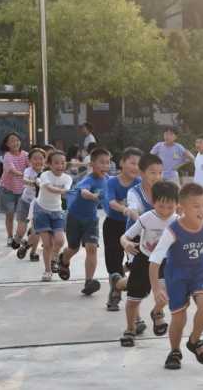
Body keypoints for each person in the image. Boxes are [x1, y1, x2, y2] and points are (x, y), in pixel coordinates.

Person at [149, 183, 203, 370]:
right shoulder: (173, 230)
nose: (202, 210)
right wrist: (156, 289)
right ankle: (174, 351)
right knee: (179, 318)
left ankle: (194, 341)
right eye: (196, 206)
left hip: (199, 271)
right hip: (177, 275)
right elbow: (155, 260)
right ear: (182, 208)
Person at [118, 181, 179, 347]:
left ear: (177, 204)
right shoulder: (146, 218)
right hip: (143, 261)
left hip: (166, 263)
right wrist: (126, 244)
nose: (165, 211)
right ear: (153, 202)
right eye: (161, 206)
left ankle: (157, 312)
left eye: (170, 206)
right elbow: (124, 237)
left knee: (164, 295)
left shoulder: (179, 221)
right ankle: (130, 329)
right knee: (133, 300)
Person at [57, 148, 111, 294]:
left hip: (91, 219)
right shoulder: (88, 179)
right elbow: (84, 192)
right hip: (74, 218)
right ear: (92, 164)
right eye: (102, 162)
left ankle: (89, 282)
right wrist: (93, 196)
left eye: (108, 163)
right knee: (73, 248)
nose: (105, 166)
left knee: (91, 248)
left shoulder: (108, 180)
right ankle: (64, 259)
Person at [103, 147, 142, 311]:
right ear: (122, 163)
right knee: (114, 262)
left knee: (139, 261)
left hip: (134, 227)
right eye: (132, 163)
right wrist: (125, 210)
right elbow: (111, 202)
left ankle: (124, 288)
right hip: (113, 224)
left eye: (139, 164)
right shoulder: (111, 181)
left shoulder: (139, 183)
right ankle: (115, 293)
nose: (135, 167)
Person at [33, 150, 72, 281]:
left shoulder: (67, 178)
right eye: (56, 163)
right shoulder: (45, 175)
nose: (60, 166)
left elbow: (67, 190)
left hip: (57, 212)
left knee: (60, 240)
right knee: (47, 244)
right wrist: (63, 191)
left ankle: (54, 257)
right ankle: (47, 270)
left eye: (62, 163)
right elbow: (50, 188)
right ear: (49, 164)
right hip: (41, 211)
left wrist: (64, 191)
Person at [13, 148, 45, 261]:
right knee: (21, 230)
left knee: (36, 230)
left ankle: (33, 252)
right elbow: (25, 180)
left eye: (41, 158)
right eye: (35, 158)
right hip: (25, 202)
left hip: (39, 205)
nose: (38, 161)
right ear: (30, 161)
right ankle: (17, 239)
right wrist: (34, 183)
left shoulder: (47, 173)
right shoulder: (28, 171)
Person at [0, 133, 29, 247]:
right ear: (7, 144)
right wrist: (25, 175)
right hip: (8, 190)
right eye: (12, 141)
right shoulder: (7, 156)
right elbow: (10, 169)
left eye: (17, 140)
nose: (15, 143)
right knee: (10, 214)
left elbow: (31, 165)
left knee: (22, 217)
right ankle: (10, 237)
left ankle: (18, 237)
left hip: (22, 190)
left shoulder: (25, 155)